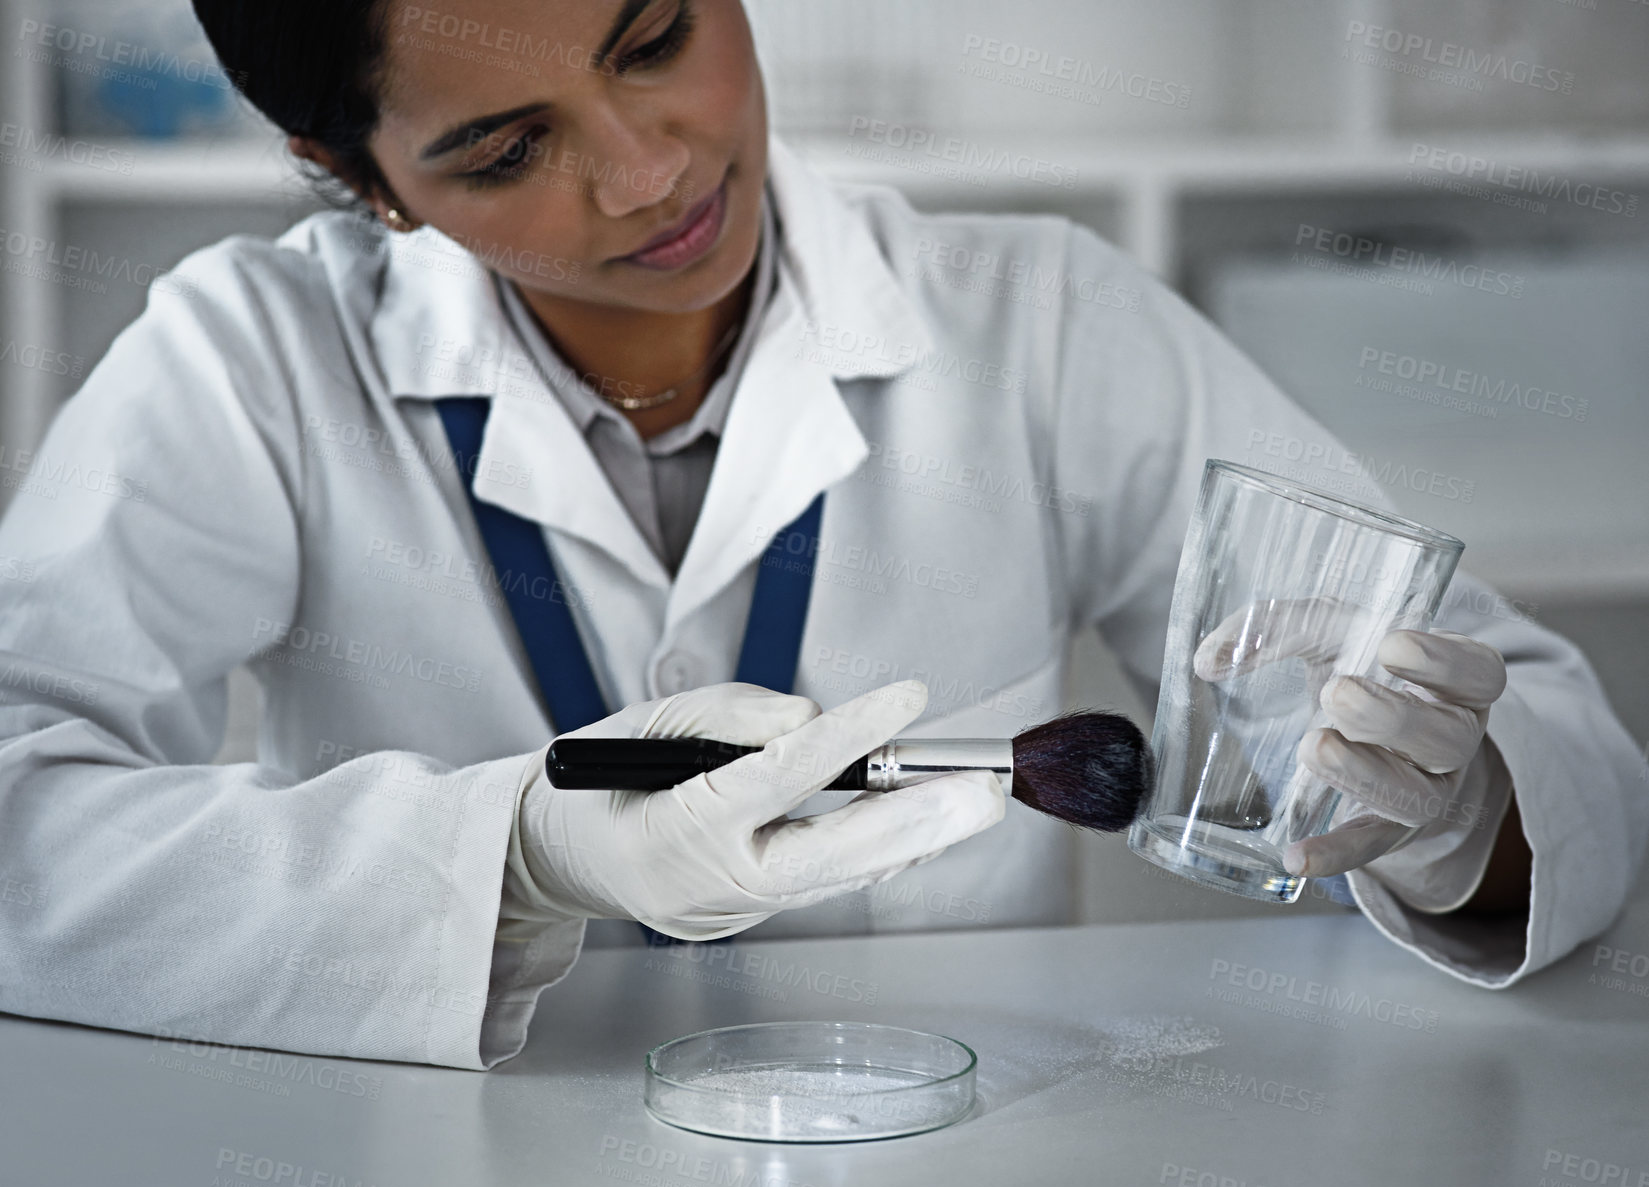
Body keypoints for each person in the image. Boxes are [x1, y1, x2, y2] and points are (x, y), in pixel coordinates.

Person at [0, 0, 1642, 1070]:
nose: (645, 174)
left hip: (964, 1158)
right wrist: (505, 857)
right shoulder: (247, 360)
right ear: (357, 182)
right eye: (508, 149)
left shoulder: (1042, 318)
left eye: (651, 40)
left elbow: (1540, 733)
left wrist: (1453, 815)